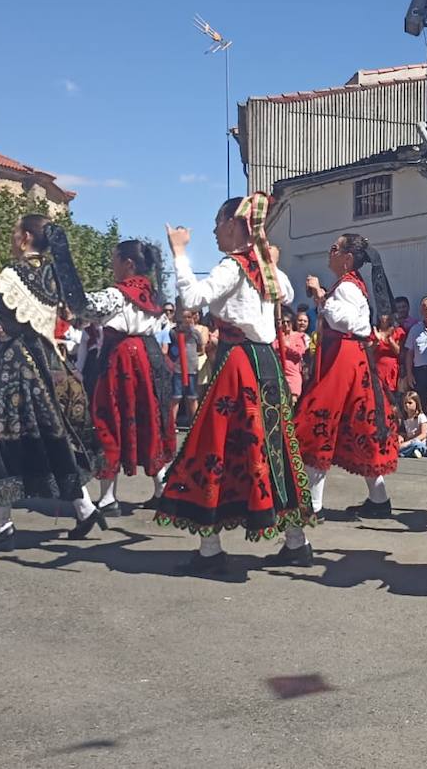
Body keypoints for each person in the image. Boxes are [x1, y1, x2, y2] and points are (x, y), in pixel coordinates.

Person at [155, 194, 311, 575]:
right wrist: (270, 261)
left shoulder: (234, 266)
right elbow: (288, 294)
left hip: (238, 364)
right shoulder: (262, 266)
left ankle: (210, 549)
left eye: (217, 222)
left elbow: (193, 297)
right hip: (266, 366)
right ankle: (296, 542)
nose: (212, 230)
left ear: (232, 224)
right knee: (273, 448)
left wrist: (178, 252)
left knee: (215, 445)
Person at [0, 217, 101, 553]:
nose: (13, 238)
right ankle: (84, 507)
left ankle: (2, 526)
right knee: (51, 437)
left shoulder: (16, 273)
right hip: (49, 359)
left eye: (15, 232)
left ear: (26, 237)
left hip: (18, 361)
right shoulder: (53, 272)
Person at [294, 233, 400, 527]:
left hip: (344, 364)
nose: (329, 252)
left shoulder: (348, 287)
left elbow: (353, 322)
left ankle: (314, 504)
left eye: (334, 248)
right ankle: (378, 501)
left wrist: (320, 297)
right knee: (359, 428)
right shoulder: (350, 285)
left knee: (320, 423)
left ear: (347, 258)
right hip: (349, 362)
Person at [85, 239, 177, 516]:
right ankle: (162, 490)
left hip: (122, 359)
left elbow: (84, 306)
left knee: (109, 419)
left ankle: (108, 497)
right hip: (149, 358)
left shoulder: (117, 294)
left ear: (128, 264)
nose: (112, 265)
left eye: (115, 259)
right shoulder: (153, 294)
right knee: (153, 419)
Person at [167, 307, 207, 422]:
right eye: (184, 317)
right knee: (176, 397)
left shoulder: (196, 333)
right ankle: (172, 424)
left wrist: (192, 355)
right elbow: (170, 348)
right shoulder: (173, 332)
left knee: (193, 397)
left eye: (189, 317)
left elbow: (201, 349)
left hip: (192, 369)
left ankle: (194, 423)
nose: (186, 320)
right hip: (178, 369)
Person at [372, 312, 406, 404]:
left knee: (392, 398)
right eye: (381, 314)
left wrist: (389, 339)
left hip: (391, 370)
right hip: (378, 369)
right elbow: (369, 351)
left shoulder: (397, 331)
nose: (383, 317)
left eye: (386, 314)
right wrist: (376, 341)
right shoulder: (374, 331)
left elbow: (398, 351)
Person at [275, 312, 309, 400]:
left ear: (292, 323)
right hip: (279, 374)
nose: (286, 324)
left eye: (288, 322)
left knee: (292, 402)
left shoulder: (299, 336)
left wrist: (285, 347)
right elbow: (274, 348)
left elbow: (299, 353)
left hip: (293, 374)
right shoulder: (277, 337)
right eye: (283, 322)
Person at [397, 390, 427, 457]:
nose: (407, 405)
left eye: (410, 403)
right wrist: (401, 437)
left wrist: (410, 442)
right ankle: (410, 452)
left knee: (417, 445)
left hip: (420, 442)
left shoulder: (421, 417)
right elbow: (406, 433)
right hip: (409, 441)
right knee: (398, 445)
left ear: (416, 404)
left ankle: (406, 452)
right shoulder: (405, 418)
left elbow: (424, 434)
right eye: (405, 403)